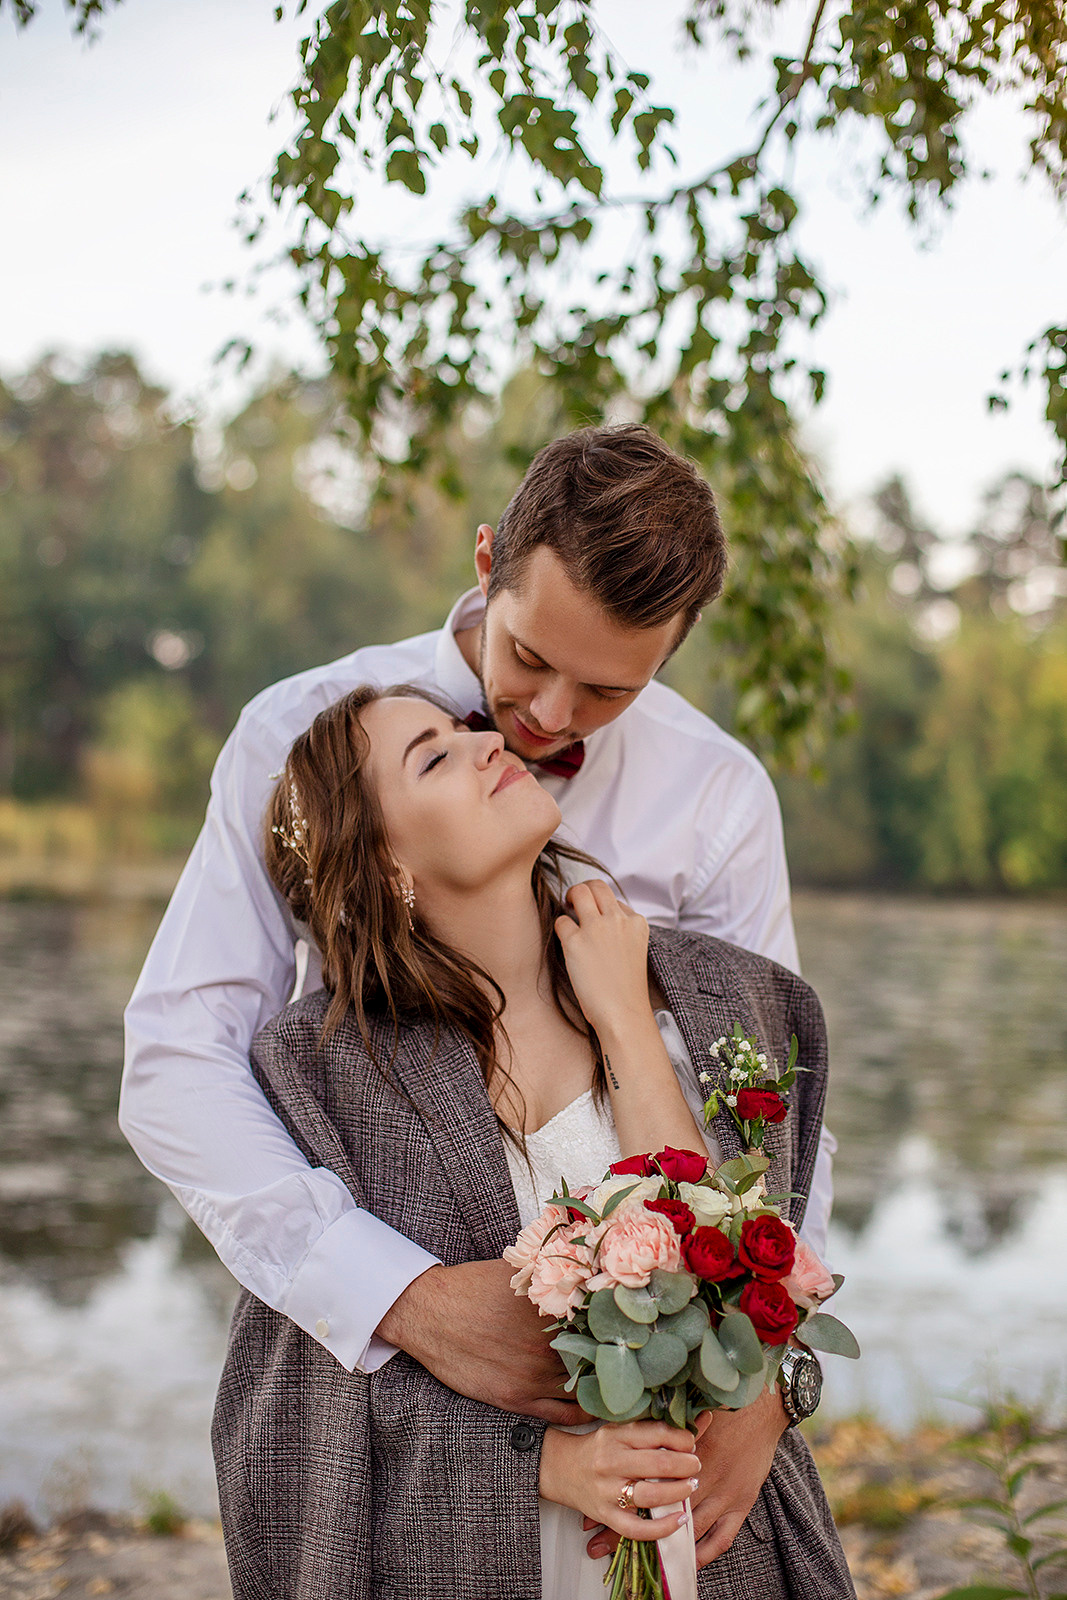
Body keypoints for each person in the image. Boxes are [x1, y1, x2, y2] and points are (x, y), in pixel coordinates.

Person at [121, 422, 836, 1565]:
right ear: (486, 558)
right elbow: (177, 1059)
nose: (545, 717)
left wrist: (765, 1366)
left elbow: (773, 1110)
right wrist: (396, 1296)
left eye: (605, 687)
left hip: (665, 1373)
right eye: (527, 657)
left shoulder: (715, 799)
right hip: (400, 1337)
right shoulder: (302, 740)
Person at [212, 684, 854, 1600]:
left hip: (719, 1553)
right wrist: (542, 1465)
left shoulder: (722, 1000)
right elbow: (297, 1410)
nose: (483, 745)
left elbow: (737, 1283)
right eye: (431, 756)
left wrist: (625, 1017)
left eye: (463, 731)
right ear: (384, 863)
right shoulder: (320, 1075)